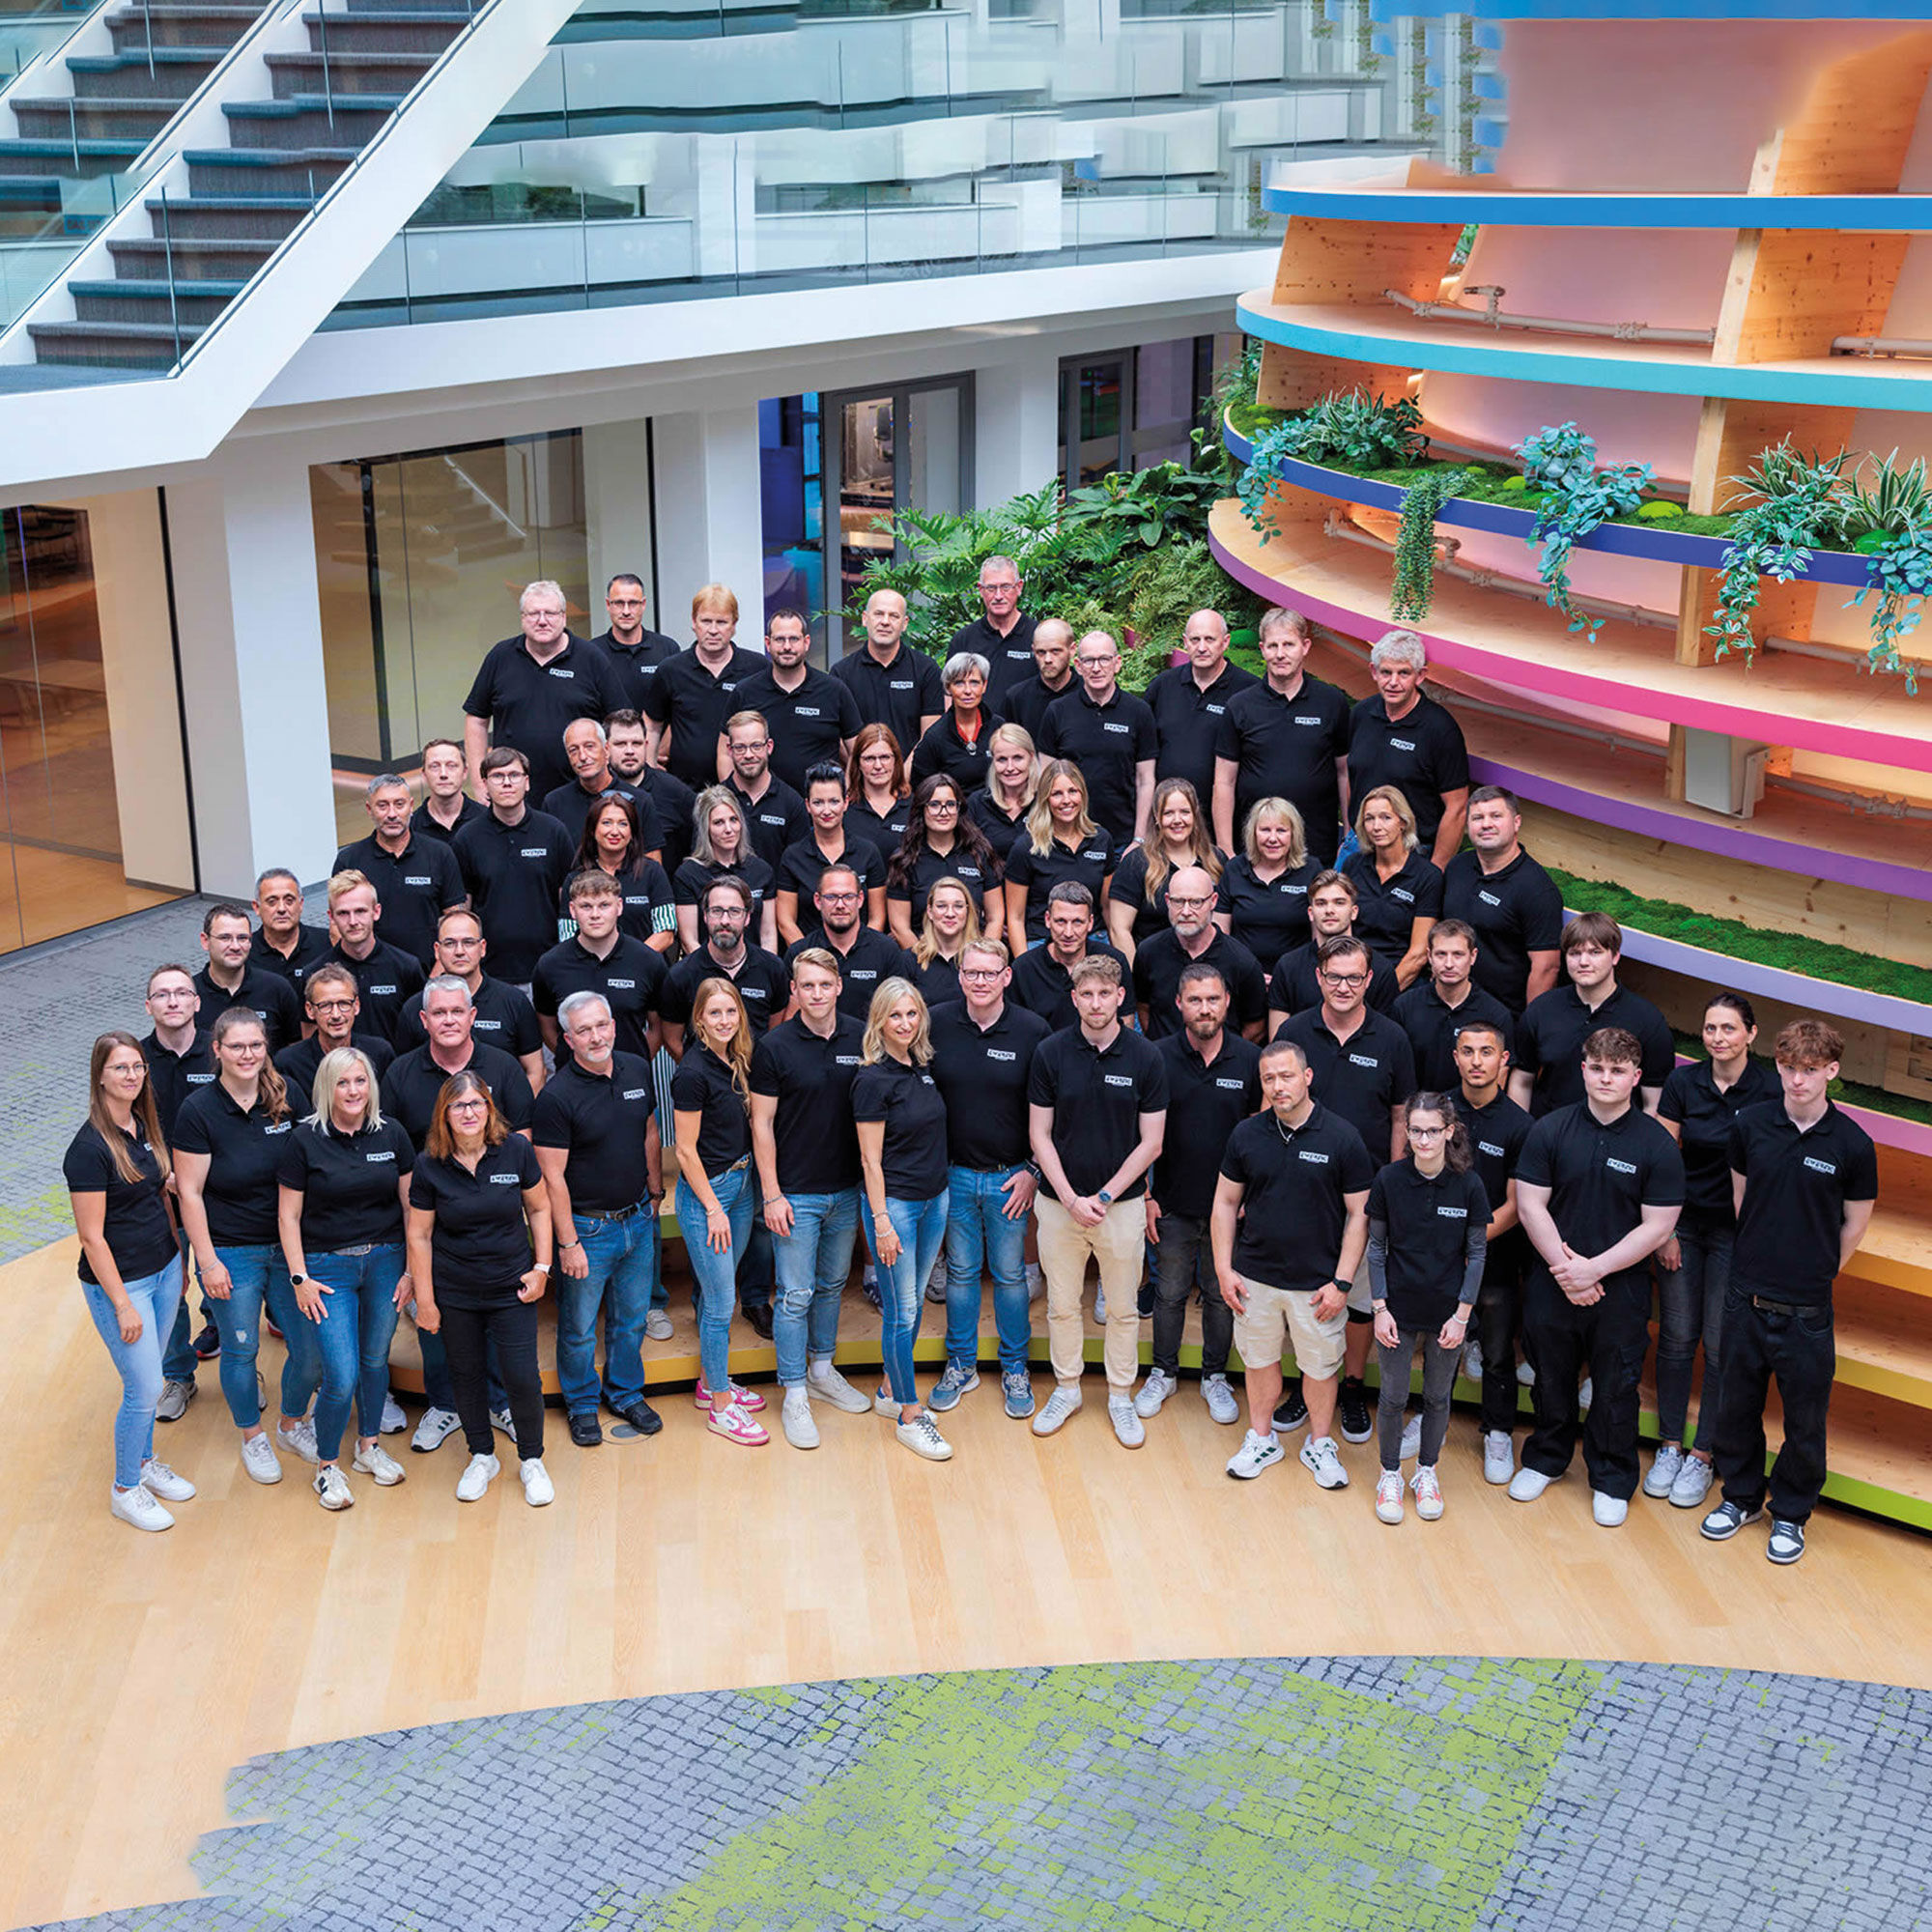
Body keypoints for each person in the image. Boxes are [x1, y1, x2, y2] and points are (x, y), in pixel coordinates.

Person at [1702, 1018, 1877, 1565]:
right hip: (1745, 1297)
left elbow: (1855, 1224)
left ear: (1831, 1071)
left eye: (1809, 1070)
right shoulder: (1750, 1125)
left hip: (1807, 1310)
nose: (1797, 1080)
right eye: (1788, 1068)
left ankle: (1793, 1513)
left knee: (1804, 1420)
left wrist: (1819, 1272)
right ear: (1775, 1065)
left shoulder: (1853, 1143)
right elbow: (1741, 1199)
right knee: (1736, 1408)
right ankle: (1741, 1498)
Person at [1509, 1026, 1685, 1527]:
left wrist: (1595, 1269)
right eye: (1598, 1068)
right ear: (1583, 1070)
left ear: (1635, 1077)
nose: (1606, 1078)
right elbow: (1529, 1204)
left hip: (1621, 1286)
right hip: (1553, 1279)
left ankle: (1611, 1478)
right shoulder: (1550, 1128)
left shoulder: (1657, 1144)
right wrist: (1567, 1270)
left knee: (1615, 1387)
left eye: (1618, 1071)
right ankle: (1545, 1458)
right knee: (1551, 1378)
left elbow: (1659, 1225)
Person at [1213, 1037, 1372, 1488]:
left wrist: (1342, 1282)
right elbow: (1225, 1203)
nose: (1278, 1086)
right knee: (1259, 1360)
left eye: (1286, 1076)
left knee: (1320, 1367)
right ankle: (1261, 1439)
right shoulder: (1246, 1135)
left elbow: (1361, 1212)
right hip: (1254, 1278)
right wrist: (1225, 1269)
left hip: (1318, 1284)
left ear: (1307, 1077)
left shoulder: (1342, 1137)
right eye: (1269, 1079)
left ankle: (1319, 1444)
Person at [1277, 933, 1417, 1438]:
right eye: (1333, 976)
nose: (1343, 986)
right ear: (1318, 977)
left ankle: (1353, 1388)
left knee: (1358, 1300)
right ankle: (1307, 1384)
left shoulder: (1392, 1038)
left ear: (1369, 980)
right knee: (1306, 1294)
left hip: (1367, 1193)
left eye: (1354, 977)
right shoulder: (1295, 1031)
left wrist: (1397, 1183)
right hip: (1302, 1189)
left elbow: (1401, 1115)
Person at [174, 1008, 321, 1486]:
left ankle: (291, 1424)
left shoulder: (287, 1095)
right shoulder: (198, 1110)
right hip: (231, 1251)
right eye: (236, 1046)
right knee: (240, 1350)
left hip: (288, 1247)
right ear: (216, 1050)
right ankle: (252, 1435)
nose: (247, 1054)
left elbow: (309, 1165)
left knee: (309, 1349)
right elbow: (190, 1192)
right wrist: (208, 1260)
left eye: (255, 1045)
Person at [1027, 954, 1168, 1446]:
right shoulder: (1049, 1052)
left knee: (1124, 1309)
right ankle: (1067, 1389)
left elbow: (1152, 1142)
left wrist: (1104, 1196)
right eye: (1086, 994)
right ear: (1074, 999)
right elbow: (1039, 1135)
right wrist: (1069, 1198)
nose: (1095, 1003)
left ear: (1120, 997)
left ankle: (1120, 1396)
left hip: (1121, 1207)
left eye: (1104, 993)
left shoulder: (1146, 1057)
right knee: (1062, 1306)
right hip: (1058, 1204)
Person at [1652, 993, 1779, 1511]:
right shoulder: (1685, 1083)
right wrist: (1662, 1231)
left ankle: (1703, 1456)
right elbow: (1662, 1160)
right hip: (1683, 1226)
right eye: (1710, 1028)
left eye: (1729, 1028)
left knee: (1722, 1346)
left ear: (1751, 1033)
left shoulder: (1771, 1089)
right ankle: (1668, 1447)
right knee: (1678, 1338)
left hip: (1738, 1236)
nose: (1718, 1037)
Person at [65, 1031, 195, 1532]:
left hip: (162, 1271)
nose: (132, 1076)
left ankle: (143, 1464)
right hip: (123, 1286)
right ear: (100, 1075)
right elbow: (92, 1238)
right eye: (121, 1068)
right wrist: (122, 1305)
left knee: (152, 1377)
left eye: (138, 1067)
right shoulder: (88, 1149)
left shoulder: (141, 1125)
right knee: (143, 1389)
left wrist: (179, 1259)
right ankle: (125, 1488)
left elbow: (158, 1194)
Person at [275, 1047, 416, 1511]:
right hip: (326, 1267)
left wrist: (413, 1270)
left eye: (360, 1081)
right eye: (342, 1083)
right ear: (326, 1088)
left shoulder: (391, 1133)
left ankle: (368, 1447)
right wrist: (299, 1278)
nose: (353, 1091)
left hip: (385, 1261)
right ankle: (327, 1467)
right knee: (341, 1373)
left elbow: (412, 1208)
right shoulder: (303, 1141)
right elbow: (289, 1216)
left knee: (375, 1361)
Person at [405, 1069, 554, 1507]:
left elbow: (540, 1208)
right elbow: (419, 1236)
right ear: (444, 1114)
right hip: (456, 1292)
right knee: (465, 1377)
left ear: (489, 1109)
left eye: (476, 1104)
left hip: (512, 1287)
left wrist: (542, 1267)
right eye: (458, 1105)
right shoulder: (429, 1164)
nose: (468, 1112)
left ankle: (531, 1459)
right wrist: (426, 1301)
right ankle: (482, 1456)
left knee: (522, 1377)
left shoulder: (516, 1150)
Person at [751, 950, 874, 1449]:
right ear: (795, 991)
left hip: (845, 1190)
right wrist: (772, 1194)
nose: (817, 994)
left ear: (839, 986)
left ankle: (822, 1370)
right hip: (795, 1195)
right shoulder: (775, 1047)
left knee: (830, 1287)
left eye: (826, 984)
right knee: (795, 1295)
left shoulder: (861, 1036)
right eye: (808, 986)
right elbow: (760, 1124)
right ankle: (794, 1392)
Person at [531, 991, 667, 1448]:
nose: (595, 1037)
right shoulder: (556, 1097)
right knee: (579, 1328)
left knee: (630, 1320)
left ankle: (625, 1393)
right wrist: (567, 1243)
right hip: (588, 1230)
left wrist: (654, 1192)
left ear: (613, 1025)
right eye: (583, 1030)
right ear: (566, 1039)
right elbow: (552, 1178)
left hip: (637, 1219)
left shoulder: (636, 1067)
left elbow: (649, 1131)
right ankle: (583, 1404)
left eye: (601, 1025)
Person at [927, 939, 1049, 1422]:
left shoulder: (1032, 1031)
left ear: (1006, 977)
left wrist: (1034, 1173)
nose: (980, 981)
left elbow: (1050, 1112)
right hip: (953, 1177)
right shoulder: (934, 1022)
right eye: (971, 973)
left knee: (1011, 1277)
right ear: (960, 976)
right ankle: (960, 1365)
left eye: (989, 973)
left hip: (1010, 1181)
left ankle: (1015, 1367)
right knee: (959, 1275)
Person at [1139, 962, 1260, 1431]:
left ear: (1227, 1002)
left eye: (1213, 999)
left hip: (1228, 1209)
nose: (1205, 1008)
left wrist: (1252, 1195)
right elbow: (1140, 1133)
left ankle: (1214, 1376)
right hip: (1168, 1202)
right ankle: (1163, 1371)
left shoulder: (1250, 1061)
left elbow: (1261, 1135)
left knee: (1218, 1294)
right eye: (1195, 1000)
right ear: (1179, 1004)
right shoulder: (1156, 1057)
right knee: (1167, 1294)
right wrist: (1146, 1194)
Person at [1367, 1094, 1490, 1524]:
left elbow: (1477, 1254)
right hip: (1396, 1309)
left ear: (1449, 1131)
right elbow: (1376, 1248)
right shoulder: (1388, 1180)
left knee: (1438, 1397)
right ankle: (1389, 1475)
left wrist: (1461, 1315)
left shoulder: (1470, 1185)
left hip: (1447, 1315)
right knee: (1393, 1397)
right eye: (1415, 1130)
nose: (1423, 1139)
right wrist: (1379, 1307)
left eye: (1432, 1130)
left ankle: (1425, 1472)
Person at [853, 978, 954, 1462]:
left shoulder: (923, 1068)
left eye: (912, 1014)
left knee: (910, 1310)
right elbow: (870, 1162)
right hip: (896, 1207)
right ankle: (910, 1415)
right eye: (895, 1015)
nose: (905, 1024)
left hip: (935, 1200)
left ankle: (892, 1391)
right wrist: (881, 1222)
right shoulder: (871, 1079)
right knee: (902, 1311)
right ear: (879, 1020)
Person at [671, 979, 769, 1444]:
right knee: (721, 1302)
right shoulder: (691, 1072)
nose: (725, 1021)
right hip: (708, 1195)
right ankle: (721, 1408)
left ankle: (713, 1383)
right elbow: (685, 1152)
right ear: (699, 1020)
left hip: (741, 1182)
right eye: (715, 1014)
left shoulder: (736, 1059)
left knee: (717, 1297)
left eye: (731, 1012)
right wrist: (713, 1208)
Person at [1450, 1020, 1534, 1485]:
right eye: (1468, 1051)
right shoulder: (1438, 1110)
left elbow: (1519, 1204)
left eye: (1487, 1052)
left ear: (1504, 1060)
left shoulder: (1521, 1126)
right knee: (1439, 1343)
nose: (1476, 1061)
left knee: (1499, 1352)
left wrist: (1473, 1243)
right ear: (1455, 1057)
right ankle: (1431, 1420)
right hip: (1440, 1254)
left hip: (1496, 1258)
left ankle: (1499, 1431)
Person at [463, 580, 624, 803]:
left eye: (550, 613)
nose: (542, 621)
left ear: (563, 617)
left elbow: (618, 723)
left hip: (580, 795)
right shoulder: (500, 657)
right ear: (522, 618)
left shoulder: (591, 658)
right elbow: (476, 720)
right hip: (513, 796)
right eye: (533, 614)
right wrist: (479, 783)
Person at [1212, 606, 1350, 867]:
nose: (1280, 654)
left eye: (1288, 644)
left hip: (1317, 847)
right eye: (1273, 646)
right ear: (1262, 649)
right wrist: (1225, 849)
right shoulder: (1240, 706)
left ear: (1305, 646)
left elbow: (1344, 773)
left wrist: (1350, 836)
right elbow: (1224, 781)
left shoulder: (1332, 703)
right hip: (1253, 849)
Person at [1510, 912, 1674, 1118]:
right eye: (1574, 953)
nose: (1583, 962)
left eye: (1595, 952)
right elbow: (1522, 1080)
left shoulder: (1648, 1020)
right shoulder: (1542, 1009)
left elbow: (1654, 1101)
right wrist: (1524, 1135)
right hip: (1547, 1136)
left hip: (1616, 1141)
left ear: (1615, 956)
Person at [1348, 629, 1470, 871]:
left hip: (1412, 853)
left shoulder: (1440, 729)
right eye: (1386, 672)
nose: (1393, 682)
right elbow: (1352, 775)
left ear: (1420, 675)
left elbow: (1457, 807)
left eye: (1403, 673)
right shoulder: (1361, 714)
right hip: (1359, 846)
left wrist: (1435, 870)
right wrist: (1351, 832)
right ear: (1374, 671)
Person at [451, 747, 573, 988]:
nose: (507, 783)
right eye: (497, 776)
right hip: (488, 973)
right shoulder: (467, 838)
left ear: (527, 782)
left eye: (514, 775)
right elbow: (462, 906)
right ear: (484, 784)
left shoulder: (553, 831)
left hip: (547, 969)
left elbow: (568, 899)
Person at [1440, 786, 1564, 1015]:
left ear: (1516, 822)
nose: (1486, 824)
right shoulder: (1457, 867)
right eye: (1478, 818)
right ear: (1468, 827)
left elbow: (1546, 968)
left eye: (1496, 816)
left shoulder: (1537, 890)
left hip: (1503, 1015)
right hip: (1449, 1003)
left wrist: (1530, 1027)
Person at [393, 907, 545, 1090]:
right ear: (437, 950)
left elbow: (535, 1071)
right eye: (450, 943)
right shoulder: (415, 1007)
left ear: (482, 948)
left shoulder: (514, 1002)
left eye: (468, 942)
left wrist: (516, 1116)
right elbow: (403, 1074)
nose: (459, 951)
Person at [384, 977, 537, 1151]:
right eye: (439, 1013)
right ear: (424, 1019)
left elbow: (522, 1138)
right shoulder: (399, 1074)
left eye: (457, 1011)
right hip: (423, 1176)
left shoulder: (505, 1067)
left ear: (472, 1016)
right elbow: (389, 1145)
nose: (449, 1021)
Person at [1036, 629, 1157, 846]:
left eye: (1104, 659)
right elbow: (1045, 780)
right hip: (1067, 838)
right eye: (1089, 660)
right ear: (1078, 666)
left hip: (1123, 840)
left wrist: (1139, 839)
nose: (1097, 668)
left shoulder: (1139, 712)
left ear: (1117, 663)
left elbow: (1146, 780)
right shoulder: (1057, 711)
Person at [639, 582, 766, 789]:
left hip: (744, 790)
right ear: (693, 622)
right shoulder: (671, 670)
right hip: (683, 790)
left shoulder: (757, 668)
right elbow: (652, 727)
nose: (713, 630)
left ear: (734, 625)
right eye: (706, 621)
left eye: (721, 622)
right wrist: (651, 777)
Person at [332, 775, 466, 971]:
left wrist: (437, 977)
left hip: (429, 974)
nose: (392, 814)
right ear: (369, 810)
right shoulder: (349, 860)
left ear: (411, 806)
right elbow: (337, 926)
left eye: (399, 804)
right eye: (383, 806)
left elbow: (455, 921)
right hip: (370, 976)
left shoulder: (439, 854)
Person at [533, 870, 667, 1065]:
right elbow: (548, 1028)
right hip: (573, 1083)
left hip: (631, 1082)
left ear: (619, 906)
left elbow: (658, 1027)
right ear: (572, 910)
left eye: (604, 905)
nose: (595, 915)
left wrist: (634, 1066)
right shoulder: (550, 965)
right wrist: (583, 1063)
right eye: (586, 906)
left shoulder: (648, 962)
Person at [730, 608, 862, 792]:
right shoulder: (745, 692)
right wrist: (737, 800)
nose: (787, 647)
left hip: (821, 810)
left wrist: (844, 794)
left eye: (794, 639)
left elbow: (858, 753)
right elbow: (725, 753)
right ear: (768, 643)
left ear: (806, 642)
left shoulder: (834, 690)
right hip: (762, 808)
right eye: (779, 639)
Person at [1133, 866, 1267, 1044]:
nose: (1186, 911)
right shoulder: (1148, 952)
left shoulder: (1242, 961)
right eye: (1178, 902)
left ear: (1213, 901)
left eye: (1196, 902)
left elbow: (1256, 1027)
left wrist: (1221, 1054)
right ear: (1167, 901)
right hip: (1164, 1065)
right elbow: (1143, 1007)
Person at [660, 876, 789, 1057]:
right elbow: (672, 1040)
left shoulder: (773, 968)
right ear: (705, 916)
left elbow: (774, 1031)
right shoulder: (681, 975)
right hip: (704, 1082)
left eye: (734, 911)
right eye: (717, 911)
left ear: (747, 917)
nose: (725, 920)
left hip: (758, 1079)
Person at [1145, 607, 1259, 808]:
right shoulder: (1162, 686)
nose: (1202, 647)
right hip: (1168, 817)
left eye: (1210, 639)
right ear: (1185, 642)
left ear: (1225, 642)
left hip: (1226, 820)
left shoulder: (1249, 691)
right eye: (1195, 640)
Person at [1002, 758, 1115, 953]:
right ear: (1045, 798)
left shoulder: (1101, 839)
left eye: (1073, 791)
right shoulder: (1026, 847)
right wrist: (1024, 966)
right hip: (1041, 943)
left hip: (1093, 940)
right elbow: (1015, 917)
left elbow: (1107, 909)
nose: (1066, 800)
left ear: (1083, 794)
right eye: (1057, 794)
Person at [1107, 778, 1224, 960]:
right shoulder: (1135, 863)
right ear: (1156, 817)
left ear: (1195, 814)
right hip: (1153, 973)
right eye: (1168, 813)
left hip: (1207, 974)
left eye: (1184, 812)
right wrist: (1138, 978)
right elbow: (1119, 930)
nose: (1177, 820)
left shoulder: (1216, 861)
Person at [785, 863, 915, 1024]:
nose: (840, 905)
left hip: (871, 1046)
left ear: (860, 899)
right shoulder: (800, 952)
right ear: (818, 901)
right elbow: (791, 1019)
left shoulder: (886, 950)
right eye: (831, 897)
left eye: (848, 897)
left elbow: (899, 1011)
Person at [1393, 919, 1514, 1091]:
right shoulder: (1404, 1007)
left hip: (1469, 1114)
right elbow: (1394, 1069)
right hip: (1417, 1111)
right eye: (1441, 954)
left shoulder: (1495, 1015)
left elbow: (1498, 1078)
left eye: (1458, 954)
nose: (1449, 964)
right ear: (1429, 956)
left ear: (1473, 956)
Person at [1266, 871, 1399, 1026]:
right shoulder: (1288, 966)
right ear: (1310, 912)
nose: (1329, 910)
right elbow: (1278, 1041)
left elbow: (1386, 1035)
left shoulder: (1380, 968)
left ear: (1354, 912)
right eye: (1321, 903)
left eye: (1339, 902)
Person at [1342, 785, 1441, 990]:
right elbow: (1342, 929)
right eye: (1369, 819)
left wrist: (1381, 991)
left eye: (1386, 817)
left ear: (1403, 822)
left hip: (1401, 979)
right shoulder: (1353, 865)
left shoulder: (1427, 876)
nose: (1376, 826)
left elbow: (1418, 954)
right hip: (1352, 974)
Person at [776, 760, 886, 942]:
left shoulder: (868, 853)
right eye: (818, 802)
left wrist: (856, 952)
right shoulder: (792, 857)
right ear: (808, 806)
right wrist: (812, 960)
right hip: (810, 960)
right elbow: (786, 922)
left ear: (845, 803)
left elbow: (877, 918)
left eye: (834, 801)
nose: (826, 810)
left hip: (860, 956)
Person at [886, 772, 1000, 944]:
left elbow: (996, 918)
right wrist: (924, 964)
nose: (943, 812)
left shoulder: (979, 852)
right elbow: (899, 927)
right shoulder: (905, 859)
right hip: (923, 957)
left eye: (950, 804)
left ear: (959, 808)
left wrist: (980, 959)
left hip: (973, 958)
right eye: (934, 805)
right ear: (921, 809)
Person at [1009, 882, 1130, 1036]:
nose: (1068, 932)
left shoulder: (1114, 962)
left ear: (1090, 923)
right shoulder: (1023, 969)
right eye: (1061, 921)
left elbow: (1126, 1023)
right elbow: (1015, 1030)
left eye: (1077, 922)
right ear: (1047, 919)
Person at [830, 589, 943, 753]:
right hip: (860, 774)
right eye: (878, 614)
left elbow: (929, 737)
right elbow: (836, 737)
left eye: (894, 616)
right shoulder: (842, 673)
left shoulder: (926, 669)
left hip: (912, 776)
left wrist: (902, 775)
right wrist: (863, 770)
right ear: (865, 619)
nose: (885, 621)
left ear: (904, 624)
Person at [325, 869, 426, 1048]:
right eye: (343, 913)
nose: (353, 921)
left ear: (376, 911)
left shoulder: (406, 967)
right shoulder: (318, 973)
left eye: (361, 911)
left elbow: (421, 1030)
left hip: (394, 1072)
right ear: (331, 917)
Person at [1214, 798, 1317, 972]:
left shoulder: (1311, 870)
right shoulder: (1234, 870)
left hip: (1296, 975)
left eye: (1281, 830)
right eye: (1265, 830)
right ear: (1253, 833)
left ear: (1293, 834)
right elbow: (1220, 935)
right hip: (1243, 975)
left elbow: (1319, 935)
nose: (1273, 838)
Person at [569, 792, 677, 953]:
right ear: (592, 830)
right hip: (590, 971)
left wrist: (629, 962)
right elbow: (568, 936)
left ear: (632, 832)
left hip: (644, 968)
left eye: (623, 824)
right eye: (606, 823)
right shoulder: (575, 878)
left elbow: (666, 933)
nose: (614, 831)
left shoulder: (653, 872)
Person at [674, 787, 778, 955]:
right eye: (718, 822)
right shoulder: (688, 874)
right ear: (705, 828)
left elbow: (768, 935)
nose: (729, 829)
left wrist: (765, 972)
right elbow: (689, 940)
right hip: (707, 973)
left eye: (733, 820)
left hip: (754, 971)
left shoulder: (762, 870)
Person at [195, 901, 302, 1055]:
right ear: (205, 941)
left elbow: (296, 1048)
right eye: (225, 938)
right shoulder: (189, 994)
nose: (235, 946)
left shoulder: (277, 989)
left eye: (242, 938)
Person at [274, 963, 395, 1099]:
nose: (336, 1015)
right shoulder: (288, 1063)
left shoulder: (380, 1053)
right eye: (325, 1006)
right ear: (310, 1010)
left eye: (344, 1004)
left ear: (356, 1006)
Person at [543, 718, 662, 856]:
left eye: (589, 746)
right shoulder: (554, 803)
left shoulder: (640, 801)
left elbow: (653, 865)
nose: (582, 756)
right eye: (573, 750)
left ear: (606, 750)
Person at [607, 708, 696, 876]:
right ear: (606, 748)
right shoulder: (596, 791)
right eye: (620, 744)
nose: (630, 751)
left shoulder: (676, 792)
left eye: (636, 743)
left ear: (646, 745)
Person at [722, 710, 811, 867]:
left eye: (756, 746)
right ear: (730, 750)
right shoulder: (714, 802)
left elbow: (799, 868)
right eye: (740, 748)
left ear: (769, 747)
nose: (748, 755)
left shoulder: (792, 804)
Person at [947, 554, 1037, 708]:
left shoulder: (1038, 636)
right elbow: (950, 696)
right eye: (991, 588)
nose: (998, 596)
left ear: (1019, 587)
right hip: (977, 731)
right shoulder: (964, 639)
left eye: (1006, 587)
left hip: (1026, 731)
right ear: (981, 590)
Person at [586, 571, 676, 714]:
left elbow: (677, 710)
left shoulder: (667, 649)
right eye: (619, 603)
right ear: (608, 604)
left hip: (657, 736)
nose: (626, 611)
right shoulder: (592, 652)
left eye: (633, 603)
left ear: (644, 604)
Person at [911, 652, 1000, 792]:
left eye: (974, 683)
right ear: (948, 688)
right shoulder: (935, 737)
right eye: (959, 683)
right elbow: (922, 791)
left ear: (984, 686)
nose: (968, 691)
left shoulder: (999, 728)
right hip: (954, 811)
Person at [250, 867, 331, 995]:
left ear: (301, 904)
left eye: (289, 901)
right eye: (272, 902)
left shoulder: (327, 944)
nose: (282, 908)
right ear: (256, 907)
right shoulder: (245, 952)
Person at [966, 722, 1037, 867]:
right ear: (993, 761)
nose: (1010, 768)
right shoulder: (977, 803)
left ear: (1031, 757)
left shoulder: (1046, 801)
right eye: (1002, 760)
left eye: (1018, 758)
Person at [843, 723, 915, 857]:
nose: (878, 766)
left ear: (896, 760)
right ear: (858, 763)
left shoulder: (914, 807)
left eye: (884, 757)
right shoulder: (845, 809)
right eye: (869, 758)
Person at [1002, 617, 1076, 744]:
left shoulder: (1088, 693)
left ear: (1072, 650)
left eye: (1055, 651)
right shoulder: (1017, 698)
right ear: (1033, 651)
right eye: (1041, 652)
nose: (1048, 659)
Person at [911, 878, 978, 1009]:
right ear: (930, 912)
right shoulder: (910, 960)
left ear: (967, 911)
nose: (950, 914)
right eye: (941, 906)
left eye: (958, 906)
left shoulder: (982, 959)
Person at [411, 737, 486, 847]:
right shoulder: (411, 828)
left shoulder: (486, 820)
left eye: (451, 766)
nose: (443, 774)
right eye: (434, 766)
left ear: (465, 772)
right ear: (424, 775)